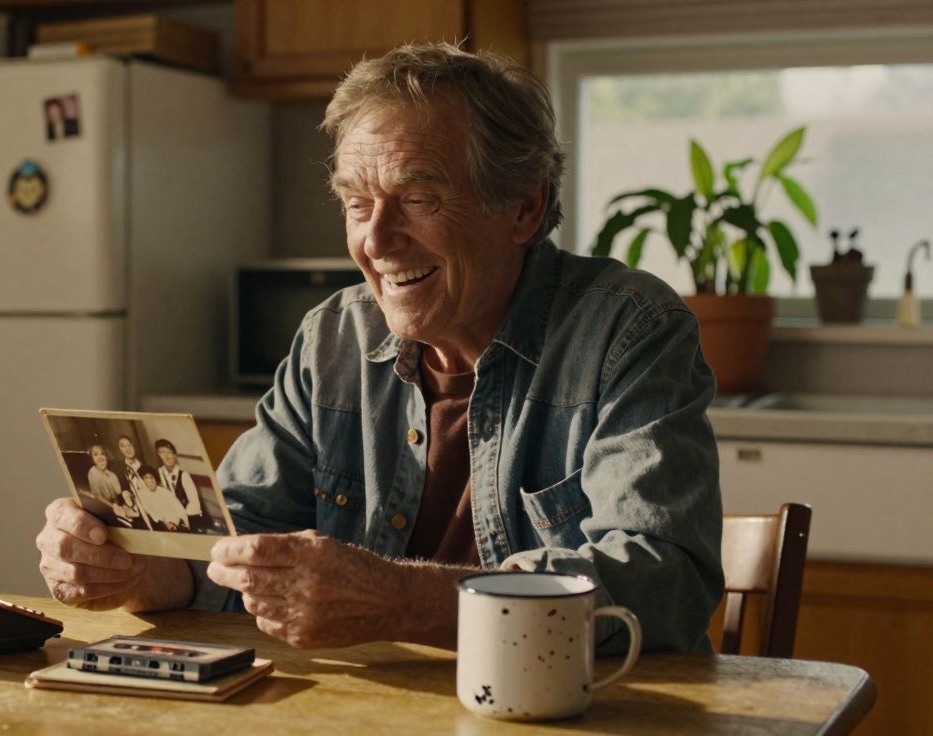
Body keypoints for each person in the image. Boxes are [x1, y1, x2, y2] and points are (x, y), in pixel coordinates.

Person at [36, 42, 723, 652]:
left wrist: (399, 600)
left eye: (418, 199)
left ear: (524, 208)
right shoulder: (333, 337)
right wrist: (146, 570)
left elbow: (663, 585)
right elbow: (246, 539)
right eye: (357, 204)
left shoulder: (629, 329)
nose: (376, 240)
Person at [154, 439, 207, 532]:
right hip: (170, 519)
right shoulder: (159, 474)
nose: (167, 456)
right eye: (162, 452)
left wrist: (182, 518)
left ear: (174, 455)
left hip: (188, 519)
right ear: (158, 456)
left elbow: (194, 503)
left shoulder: (183, 475)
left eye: (169, 452)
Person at [85, 444, 140, 528]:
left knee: (136, 521)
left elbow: (119, 495)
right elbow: (97, 496)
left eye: (102, 454)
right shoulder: (93, 472)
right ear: (92, 458)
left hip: (117, 507)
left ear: (107, 457)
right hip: (104, 509)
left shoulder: (112, 475)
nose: (100, 457)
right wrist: (113, 506)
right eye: (96, 455)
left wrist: (126, 496)